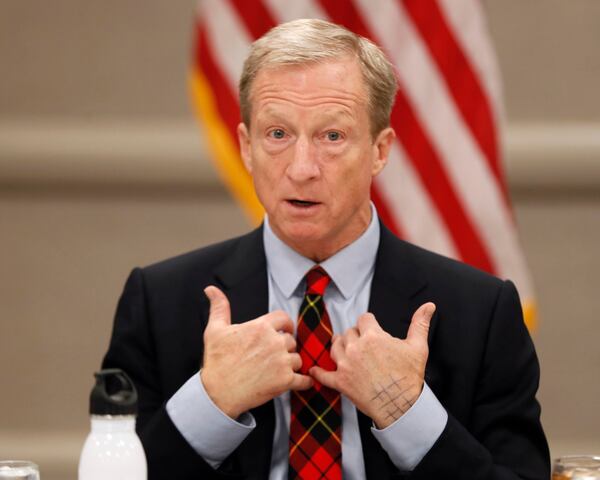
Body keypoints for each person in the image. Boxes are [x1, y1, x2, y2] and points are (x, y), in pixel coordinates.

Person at [102, 19, 550, 479]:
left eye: (331, 137)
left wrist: (408, 414)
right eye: (277, 134)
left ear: (380, 150)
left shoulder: (481, 310)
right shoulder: (160, 302)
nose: (301, 169)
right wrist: (212, 402)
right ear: (246, 146)